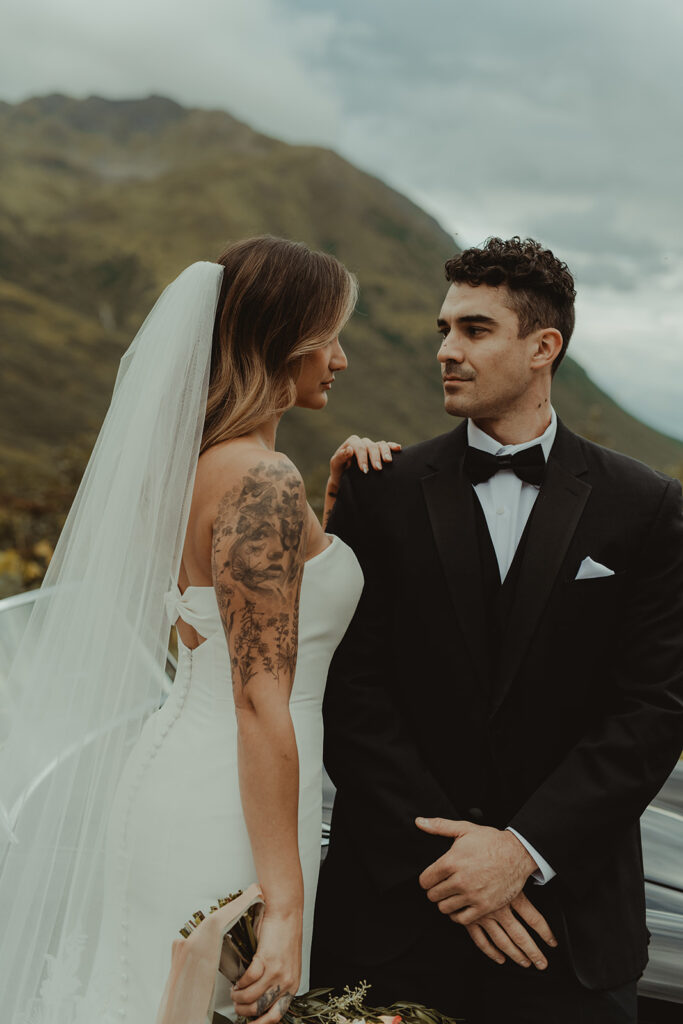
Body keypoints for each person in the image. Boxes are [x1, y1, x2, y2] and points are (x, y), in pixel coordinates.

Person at [0, 235, 397, 1024]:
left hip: (198, 772)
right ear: (284, 339)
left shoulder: (209, 466)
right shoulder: (258, 479)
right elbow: (258, 699)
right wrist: (283, 905)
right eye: (330, 336)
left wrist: (323, 520)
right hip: (228, 802)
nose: (342, 359)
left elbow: (242, 610)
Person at [312, 236, 683, 1024]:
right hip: (393, 920)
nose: (446, 350)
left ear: (542, 346)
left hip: (567, 929)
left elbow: (654, 706)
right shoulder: (381, 490)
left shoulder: (645, 505)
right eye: (443, 330)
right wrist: (456, 865)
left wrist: (520, 851)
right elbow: (351, 695)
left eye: (474, 330)